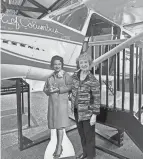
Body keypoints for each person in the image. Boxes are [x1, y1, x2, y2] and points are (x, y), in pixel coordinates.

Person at [71, 52, 100, 159]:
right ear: (78, 64)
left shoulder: (93, 80)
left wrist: (94, 115)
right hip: (77, 111)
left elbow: (96, 99)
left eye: (85, 62)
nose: (83, 64)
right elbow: (71, 88)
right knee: (82, 135)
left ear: (89, 64)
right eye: (81, 62)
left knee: (89, 137)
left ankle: (91, 156)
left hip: (88, 113)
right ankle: (85, 154)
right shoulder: (75, 76)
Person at [43, 55, 72, 159]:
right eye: (55, 64)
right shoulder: (50, 77)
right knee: (55, 125)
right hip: (52, 104)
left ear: (62, 65)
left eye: (59, 64)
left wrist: (58, 89)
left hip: (61, 104)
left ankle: (59, 147)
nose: (57, 66)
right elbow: (45, 88)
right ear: (52, 65)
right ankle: (57, 143)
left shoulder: (66, 75)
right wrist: (48, 90)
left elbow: (70, 86)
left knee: (59, 125)